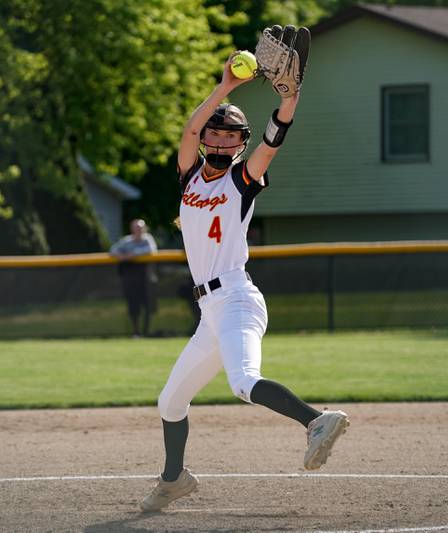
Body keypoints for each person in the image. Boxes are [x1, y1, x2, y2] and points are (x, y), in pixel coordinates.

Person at [139, 50, 350, 513]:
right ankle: (173, 480)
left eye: (229, 133)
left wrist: (289, 97)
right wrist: (225, 88)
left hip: (236, 299)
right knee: (170, 401)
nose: (217, 137)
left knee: (243, 382)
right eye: (215, 130)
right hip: (209, 315)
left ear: (238, 143)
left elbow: (275, 138)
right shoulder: (190, 177)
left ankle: (316, 420)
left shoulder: (242, 180)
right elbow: (189, 131)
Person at [109, 219, 158, 337]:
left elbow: (151, 250)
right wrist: (124, 256)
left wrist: (133, 254)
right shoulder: (126, 241)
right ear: (132, 229)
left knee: (148, 306)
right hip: (131, 279)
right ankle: (136, 331)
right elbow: (113, 250)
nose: (138, 230)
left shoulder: (148, 239)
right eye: (136, 228)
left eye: (140, 228)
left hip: (146, 279)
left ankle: (147, 331)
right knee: (133, 306)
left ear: (145, 228)